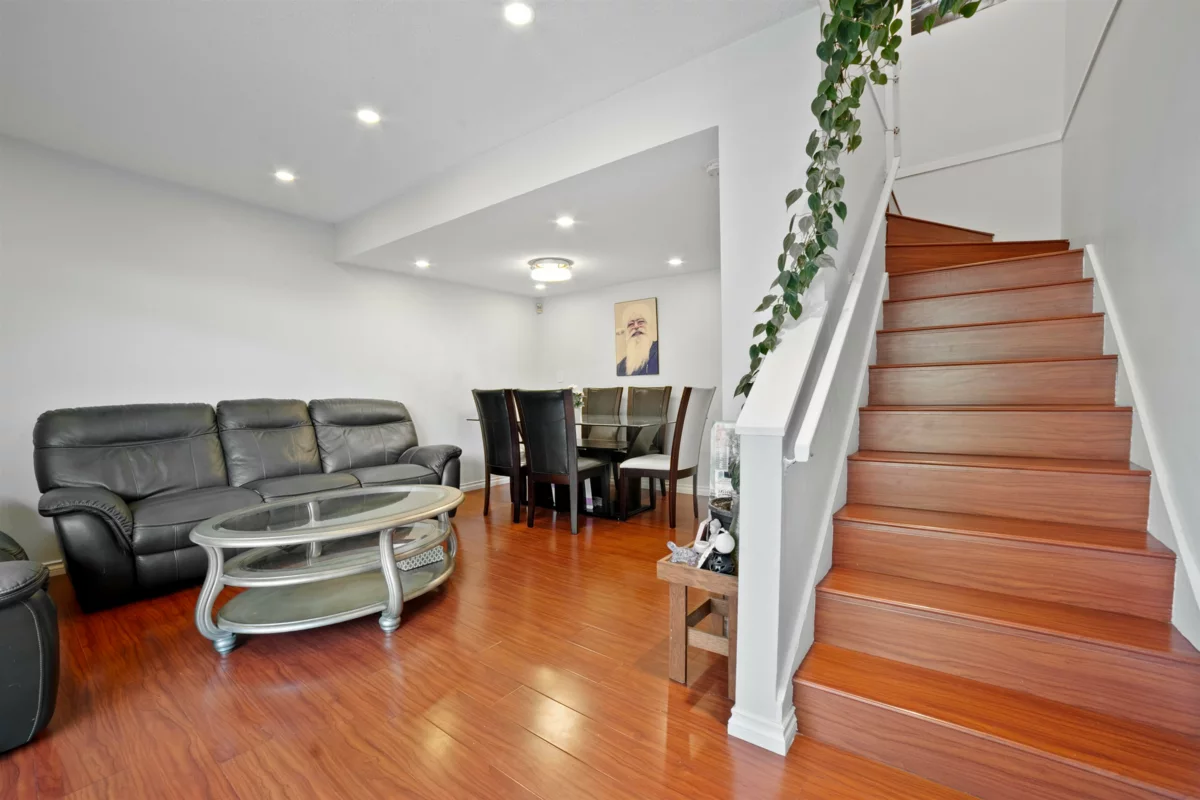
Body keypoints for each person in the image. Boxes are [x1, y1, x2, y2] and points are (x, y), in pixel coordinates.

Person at [617, 302, 659, 376]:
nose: (636, 326)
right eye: (631, 324)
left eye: (640, 321)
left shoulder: (659, 351)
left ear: (649, 325)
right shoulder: (620, 367)